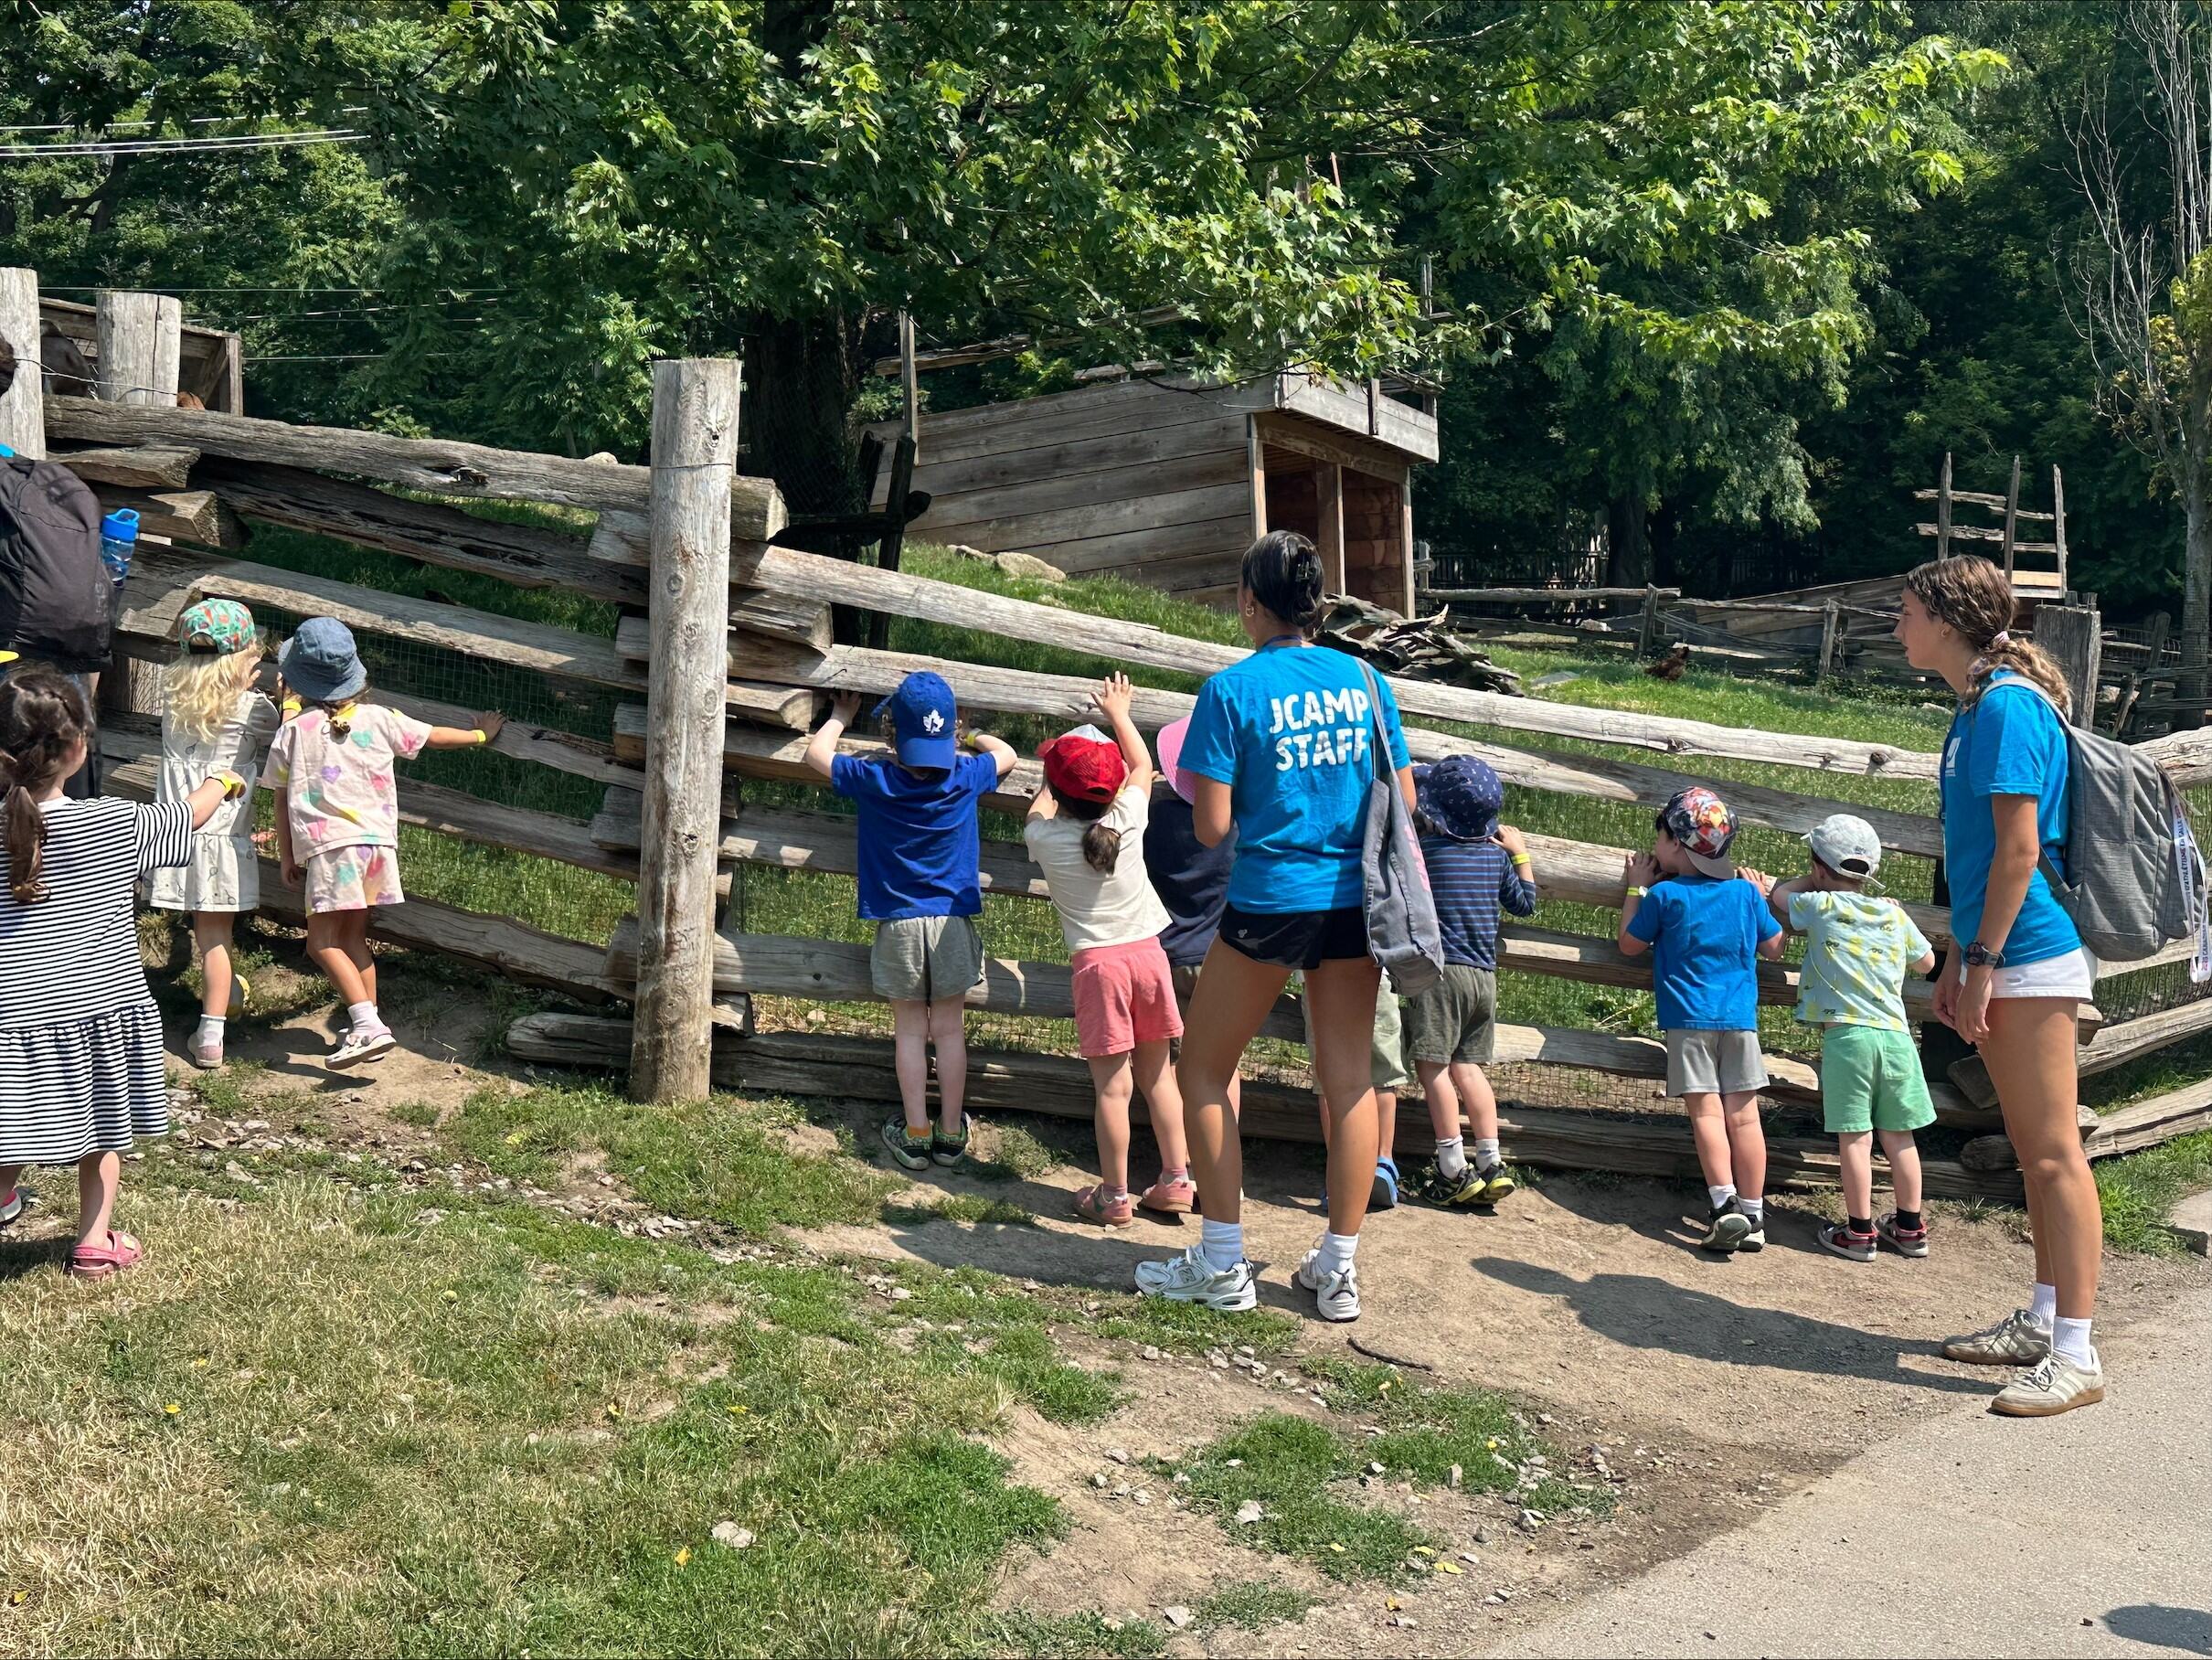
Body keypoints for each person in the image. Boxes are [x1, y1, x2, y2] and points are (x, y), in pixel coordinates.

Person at [1133, 529, 1414, 1323]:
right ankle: (1338, 1268)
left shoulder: (1232, 690)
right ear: (1318, 605)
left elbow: (1215, 827)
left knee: (1202, 1070)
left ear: (1248, 603)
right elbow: (1406, 801)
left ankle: (1222, 1261)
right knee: (1350, 1080)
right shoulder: (1364, 679)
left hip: (1267, 902)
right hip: (1353, 904)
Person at [1896, 554, 2104, 1416]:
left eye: (1904, 611)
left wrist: (1978, 964)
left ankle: (2078, 1357)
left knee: (2056, 1155)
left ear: (1947, 620)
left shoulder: (2008, 709)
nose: (1896, 625)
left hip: (2030, 953)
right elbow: (1978, 862)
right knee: (2034, 1153)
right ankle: (2048, 1321)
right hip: (1996, 951)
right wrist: (1956, 958)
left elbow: (2021, 852)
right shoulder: (1976, 709)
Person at [0, 669, 246, 1276]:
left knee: (10, 1123)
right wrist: (223, 780)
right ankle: (93, 1242)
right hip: (97, 1009)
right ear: (79, 747)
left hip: (13, 1011)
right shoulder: (112, 822)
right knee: (102, 1131)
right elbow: (185, 817)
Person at [262, 618, 505, 1069]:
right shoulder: (380, 718)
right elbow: (432, 736)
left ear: (296, 681)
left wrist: (287, 854)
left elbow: (280, 797)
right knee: (353, 938)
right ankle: (365, 1031)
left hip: (330, 850)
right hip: (376, 847)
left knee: (320, 944)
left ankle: (369, 1025)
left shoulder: (293, 732)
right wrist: (478, 735)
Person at [805, 671, 1016, 1172]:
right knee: (949, 1030)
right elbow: (1006, 755)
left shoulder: (876, 778)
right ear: (947, 735)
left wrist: (838, 717)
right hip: (951, 925)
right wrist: (967, 735)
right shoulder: (964, 776)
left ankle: (915, 1133)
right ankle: (950, 1132)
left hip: (899, 925)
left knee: (907, 1031)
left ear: (893, 737)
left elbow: (816, 756)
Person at [1026, 675, 1192, 1224]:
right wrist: (1120, 714)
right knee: (1159, 1076)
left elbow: (1040, 806)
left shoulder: (1044, 839)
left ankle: (1114, 1196)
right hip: (1150, 956)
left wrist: (1052, 772)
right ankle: (1176, 1179)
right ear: (1113, 790)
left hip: (1099, 968)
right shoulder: (1129, 818)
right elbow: (1142, 767)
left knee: (1113, 1089)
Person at [1759, 814, 1938, 1261]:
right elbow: (1928, 963)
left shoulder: (1820, 906)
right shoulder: (1894, 914)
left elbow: (1777, 894)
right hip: (1896, 1038)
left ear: (1818, 866)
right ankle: (1910, 1228)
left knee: (1855, 1137)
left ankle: (1859, 1233)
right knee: (1900, 1136)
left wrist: (1812, 878)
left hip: (1848, 1037)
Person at [1617, 786, 1786, 1254]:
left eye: (1659, 839)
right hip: (1740, 1022)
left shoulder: (1665, 895)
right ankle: (1754, 1213)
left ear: (1675, 842)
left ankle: (1722, 1203)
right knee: (1745, 1117)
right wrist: (1759, 898)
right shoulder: (1743, 895)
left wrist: (1635, 887)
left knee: (1707, 1113)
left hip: (1689, 1021)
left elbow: (1629, 945)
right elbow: (1775, 948)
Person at [1404, 756, 1539, 1208]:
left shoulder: (1428, 852)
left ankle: (1452, 1167)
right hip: (1484, 977)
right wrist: (1519, 854)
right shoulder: (1495, 857)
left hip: (1441, 974)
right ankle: (1492, 1160)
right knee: (1469, 1068)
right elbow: (1524, 904)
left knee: (1433, 1068)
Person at [151, 600, 280, 1069]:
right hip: (220, 842)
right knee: (214, 940)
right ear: (240, 661)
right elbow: (286, 735)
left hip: (168, 834)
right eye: (254, 658)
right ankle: (210, 1037)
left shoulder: (172, 698)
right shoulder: (253, 709)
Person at [1144, 713, 1242, 1124]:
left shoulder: (1154, 821)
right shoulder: (1235, 826)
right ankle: (1222, 1165)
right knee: (1222, 1064)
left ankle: (1178, 1163)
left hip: (1164, 956)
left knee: (1167, 1060)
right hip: (1219, 959)